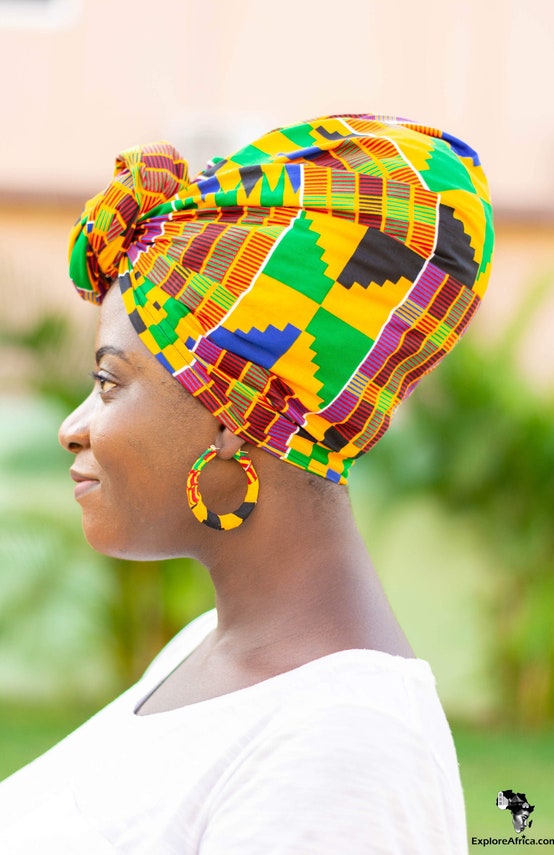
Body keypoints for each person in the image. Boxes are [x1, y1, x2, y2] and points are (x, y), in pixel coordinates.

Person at [0, 114, 493, 853]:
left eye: (108, 381)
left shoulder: (345, 751)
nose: (73, 426)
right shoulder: (212, 650)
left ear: (233, 419)